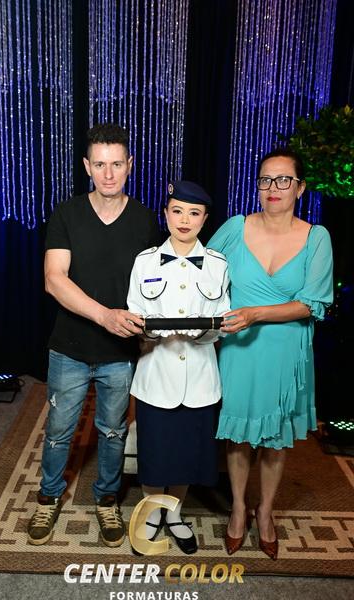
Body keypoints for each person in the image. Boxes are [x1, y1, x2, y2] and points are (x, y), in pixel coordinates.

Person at [27, 123, 161, 548]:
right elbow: (54, 280)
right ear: (87, 166)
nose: (108, 174)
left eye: (116, 164)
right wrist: (104, 316)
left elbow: (152, 286)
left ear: (129, 165)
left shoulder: (145, 220)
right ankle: (49, 496)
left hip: (119, 353)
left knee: (113, 431)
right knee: (59, 430)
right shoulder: (67, 214)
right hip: (68, 348)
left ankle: (106, 499)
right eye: (100, 165)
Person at [208, 148, 333, 560]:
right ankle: (238, 508)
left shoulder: (317, 238)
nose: (273, 187)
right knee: (239, 436)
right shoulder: (235, 227)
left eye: (283, 180)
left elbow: (312, 303)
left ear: (300, 187)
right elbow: (199, 271)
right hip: (239, 349)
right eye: (265, 179)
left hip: (286, 351)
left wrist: (254, 313)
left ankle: (265, 511)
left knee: (276, 440)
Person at [127, 181, 230, 554]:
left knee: (187, 454)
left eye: (194, 213)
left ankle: (174, 514)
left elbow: (222, 320)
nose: (185, 220)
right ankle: (152, 512)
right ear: (166, 214)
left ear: (204, 218)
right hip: (157, 374)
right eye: (177, 211)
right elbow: (136, 316)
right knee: (155, 452)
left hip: (200, 376)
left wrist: (202, 332)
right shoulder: (145, 262)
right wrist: (154, 330)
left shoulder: (218, 264)